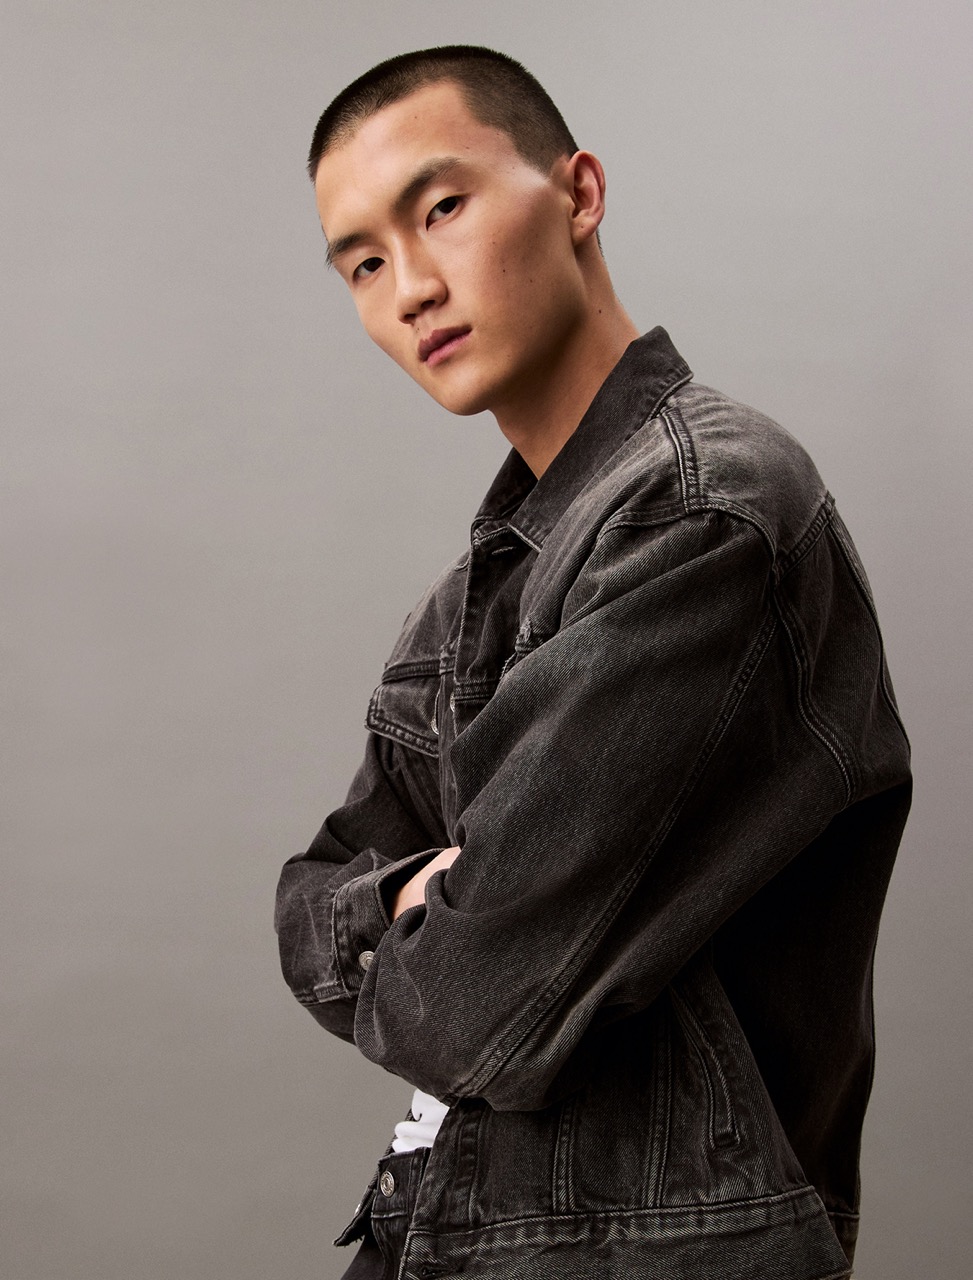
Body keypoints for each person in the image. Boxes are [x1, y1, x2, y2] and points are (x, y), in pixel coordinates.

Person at [275, 45, 911, 1280]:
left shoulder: (705, 513)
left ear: (578, 194)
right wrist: (405, 901)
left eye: (440, 208)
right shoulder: (479, 589)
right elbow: (308, 895)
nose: (411, 287)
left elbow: (464, 1010)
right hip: (449, 1232)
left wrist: (399, 917)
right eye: (363, 262)